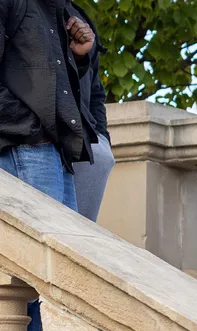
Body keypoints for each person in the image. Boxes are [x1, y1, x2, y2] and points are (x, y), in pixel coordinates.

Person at [1, 0, 99, 331]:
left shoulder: (63, 10)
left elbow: (72, 94)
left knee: (56, 287)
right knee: (39, 284)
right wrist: (27, 122)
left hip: (56, 153)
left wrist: (82, 57)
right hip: (25, 148)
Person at [69, 1, 112, 222]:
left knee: (78, 241)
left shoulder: (82, 19)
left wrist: (103, 140)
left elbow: (96, 93)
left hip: (86, 144)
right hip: (47, 140)